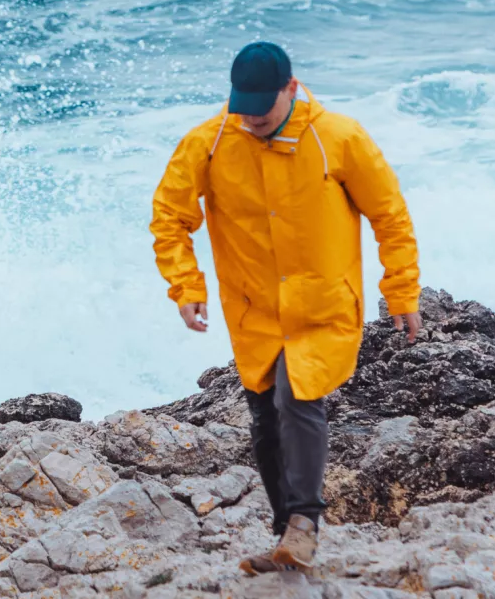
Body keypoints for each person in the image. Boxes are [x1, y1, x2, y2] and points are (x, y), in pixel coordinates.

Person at [148, 41, 423, 573]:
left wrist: (402, 290)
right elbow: (169, 216)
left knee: (298, 398)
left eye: (262, 108)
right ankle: (285, 536)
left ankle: (304, 524)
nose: (250, 120)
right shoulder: (209, 142)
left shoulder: (338, 138)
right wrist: (186, 285)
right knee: (263, 418)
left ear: (291, 89)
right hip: (254, 308)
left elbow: (389, 214)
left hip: (323, 304)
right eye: (241, 108)